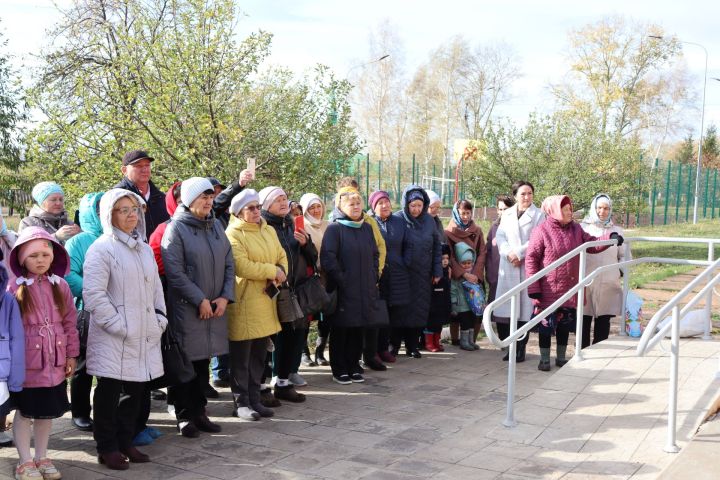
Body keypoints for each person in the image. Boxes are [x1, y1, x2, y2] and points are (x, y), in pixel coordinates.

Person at [83, 188, 167, 470]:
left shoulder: (142, 247)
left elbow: (156, 289)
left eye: (134, 209)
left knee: (136, 392)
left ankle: (126, 439)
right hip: (114, 337)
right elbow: (94, 295)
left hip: (144, 333)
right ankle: (107, 447)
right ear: (110, 215)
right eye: (123, 210)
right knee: (109, 394)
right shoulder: (102, 249)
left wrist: (160, 318)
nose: (131, 215)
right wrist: (119, 326)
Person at [161, 177, 234, 437]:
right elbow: (175, 272)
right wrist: (200, 300)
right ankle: (184, 416)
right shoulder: (176, 229)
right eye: (203, 197)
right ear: (189, 199)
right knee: (185, 365)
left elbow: (228, 263)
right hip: (188, 307)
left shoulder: (215, 226)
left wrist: (225, 296)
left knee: (203, 363)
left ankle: (200, 412)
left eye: (210, 197)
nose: (208, 201)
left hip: (214, 307)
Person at [9, 227, 80, 480]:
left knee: (46, 412)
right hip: (27, 364)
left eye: (45, 255)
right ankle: (24, 461)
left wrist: (71, 355)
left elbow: (70, 323)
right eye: (33, 255)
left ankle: (41, 456)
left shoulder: (60, 285)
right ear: (21, 259)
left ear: (54, 256)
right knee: (25, 411)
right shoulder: (14, 288)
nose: (40, 260)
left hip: (55, 362)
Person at [525, 195, 619, 371]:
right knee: (546, 326)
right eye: (566, 209)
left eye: (570, 208)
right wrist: (534, 287)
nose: (570, 212)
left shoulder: (576, 229)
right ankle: (544, 359)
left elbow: (591, 243)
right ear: (555, 211)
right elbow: (531, 259)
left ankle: (561, 357)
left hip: (569, 288)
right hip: (547, 289)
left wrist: (610, 237)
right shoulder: (541, 231)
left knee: (564, 326)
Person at [225, 189, 285, 420]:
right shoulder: (233, 233)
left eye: (258, 206)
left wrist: (282, 271)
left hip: (266, 300)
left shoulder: (268, 229)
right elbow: (242, 266)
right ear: (239, 212)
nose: (256, 211)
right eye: (250, 208)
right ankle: (241, 403)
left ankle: (255, 399)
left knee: (259, 356)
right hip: (245, 302)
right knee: (241, 358)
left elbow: (281, 255)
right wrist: (273, 271)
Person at [259, 186, 316, 401]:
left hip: (294, 290)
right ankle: (263, 386)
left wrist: (306, 244)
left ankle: (283, 382)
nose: (283, 203)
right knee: (269, 340)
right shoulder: (264, 227)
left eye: (284, 198)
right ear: (266, 205)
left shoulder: (291, 224)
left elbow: (312, 257)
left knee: (293, 335)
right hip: (271, 291)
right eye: (277, 200)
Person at [321, 187, 381, 384]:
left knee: (358, 329)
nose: (355, 207)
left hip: (365, 288)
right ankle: (339, 368)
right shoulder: (335, 229)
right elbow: (328, 259)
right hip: (344, 289)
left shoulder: (366, 227)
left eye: (358, 203)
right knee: (341, 330)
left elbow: (374, 254)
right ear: (340, 206)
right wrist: (343, 279)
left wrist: (373, 275)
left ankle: (354, 365)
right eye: (351, 204)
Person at [64, 192, 104, 434]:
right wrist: (95, 292)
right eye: (98, 211)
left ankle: (108, 410)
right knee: (84, 364)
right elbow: (68, 274)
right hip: (86, 311)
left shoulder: (117, 237)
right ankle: (79, 411)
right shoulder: (78, 242)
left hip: (117, 310)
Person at [494, 181, 545, 362]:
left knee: (524, 310)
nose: (526, 197)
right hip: (508, 265)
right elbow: (500, 236)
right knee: (510, 310)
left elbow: (537, 239)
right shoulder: (507, 213)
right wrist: (508, 253)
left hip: (526, 264)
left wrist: (519, 253)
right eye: (523, 194)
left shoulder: (539, 215)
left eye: (530, 193)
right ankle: (511, 347)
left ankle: (521, 348)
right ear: (515, 195)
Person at [392, 185, 442, 358]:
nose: (416, 209)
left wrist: (437, 271)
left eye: (419, 206)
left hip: (423, 274)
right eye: (413, 206)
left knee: (419, 310)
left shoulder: (429, 221)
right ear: (406, 204)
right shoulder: (397, 219)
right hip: (402, 274)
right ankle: (395, 345)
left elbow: (437, 247)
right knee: (400, 310)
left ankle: (412, 346)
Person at [580, 194, 629, 348]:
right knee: (583, 318)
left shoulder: (617, 231)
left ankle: (599, 349)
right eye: (599, 208)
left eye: (606, 208)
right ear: (594, 208)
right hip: (587, 279)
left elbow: (625, 255)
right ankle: (582, 350)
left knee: (604, 319)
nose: (603, 211)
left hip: (608, 281)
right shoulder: (584, 228)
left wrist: (619, 271)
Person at [369, 190, 411, 364]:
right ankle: (375, 350)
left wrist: (404, 261)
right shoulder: (369, 223)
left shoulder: (400, 222)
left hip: (398, 273)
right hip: (378, 274)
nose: (385, 205)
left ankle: (389, 347)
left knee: (395, 313)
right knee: (379, 312)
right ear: (373, 206)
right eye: (380, 203)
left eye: (386, 202)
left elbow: (408, 244)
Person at [445, 199, 486, 347]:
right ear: (457, 213)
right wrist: (463, 273)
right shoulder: (449, 232)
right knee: (458, 311)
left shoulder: (477, 230)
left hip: (474, 277)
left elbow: (482, 252)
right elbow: (448, 256)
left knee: (475, 309)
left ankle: (471, 340)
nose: (466, 216)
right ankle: (456, 340)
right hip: (459, 278)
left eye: (468, 213)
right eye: (463, 213)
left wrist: (475, 273)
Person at [299, 193, 330, 367]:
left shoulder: (330, 226)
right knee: (307, 315)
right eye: (312, 207)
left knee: (326, 315)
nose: (316, 210)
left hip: (327, 276)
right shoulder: (301, 226)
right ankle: (305, 353)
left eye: (318, 206)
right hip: (309, 277)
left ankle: (320, 351)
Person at [113, 150, 169, 240]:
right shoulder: (117, 197)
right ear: (124, 170)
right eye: (138, 166)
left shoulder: (161, 197)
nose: (144, 169)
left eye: (147, 165)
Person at [486, 195, 515, 306]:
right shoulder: (494, 228)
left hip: (513, 277)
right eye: (501, 209)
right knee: (497, 310)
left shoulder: (517, 227)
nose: (503, 212)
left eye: (506, 209)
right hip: (496, 277)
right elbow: (488, 253)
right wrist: (490, 275)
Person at [450, 242, 479, 351]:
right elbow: (452, 290)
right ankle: (464, 342)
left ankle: (470, 341)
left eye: (469, 263)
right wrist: (453, 303)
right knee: (465, 323)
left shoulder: (473, 276)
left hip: (471, 305)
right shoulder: (457, 277)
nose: (467, 265)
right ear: (458, 263)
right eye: (464, 263)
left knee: (471, 322)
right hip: (461, 305)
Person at [426, 244, 451, 352]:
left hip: (443, 301)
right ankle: (429, 343)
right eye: (442, 259)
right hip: (433, 302)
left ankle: (437, 341)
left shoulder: (448, 270)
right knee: (431, 322)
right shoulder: (433, 272)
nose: (445, 261)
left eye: (447, 258)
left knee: (439, 322)